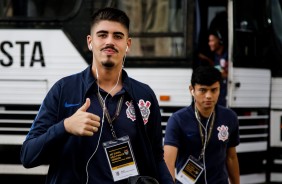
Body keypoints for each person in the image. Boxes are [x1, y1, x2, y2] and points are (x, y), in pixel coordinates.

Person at [20, 7, 173, 184]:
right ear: (90, 42)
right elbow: (28, 156)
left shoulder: (144, 95)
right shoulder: (63, 89)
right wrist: (65, 127)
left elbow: (156, 157)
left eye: (118, 36)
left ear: (128, 44)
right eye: (102, 35)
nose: (110, 41)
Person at [164, 66, 240, 184]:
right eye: (203, 90)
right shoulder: (177, 120)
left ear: (220, 89)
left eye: (214, 90)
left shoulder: (229, 117)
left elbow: (231, 157)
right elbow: (168, 161)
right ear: (192, 90)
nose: (209, 96)